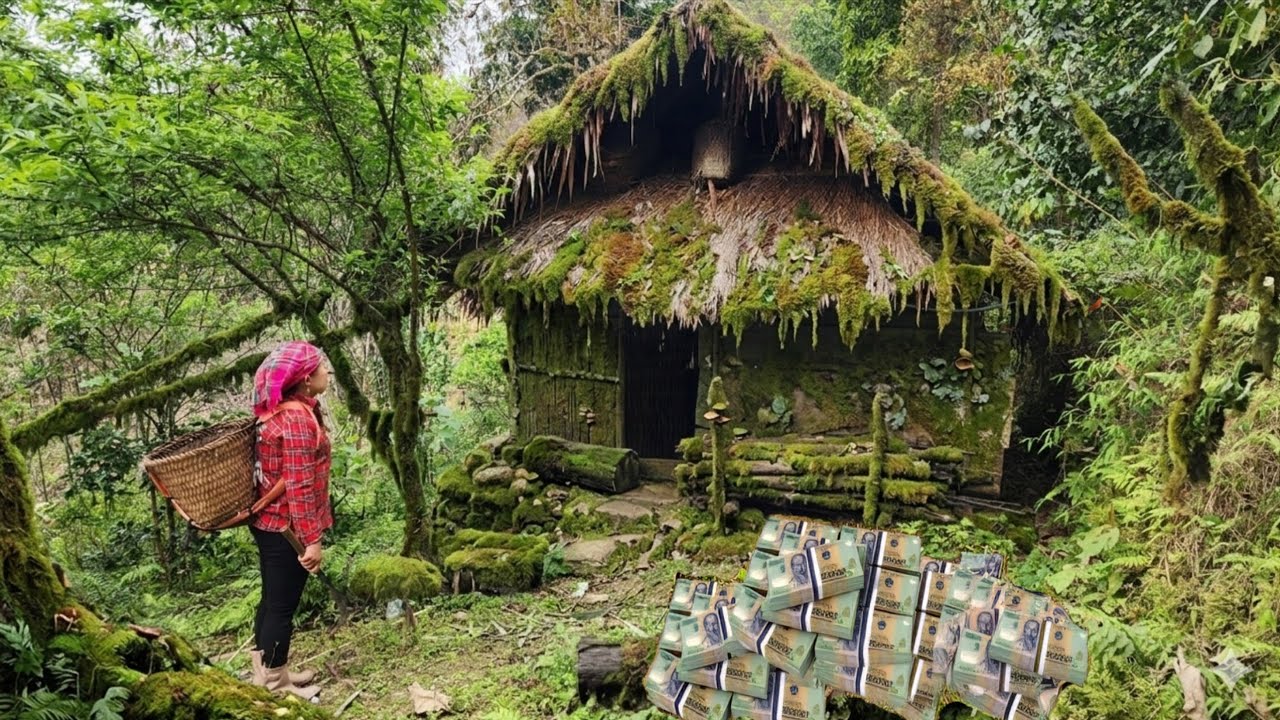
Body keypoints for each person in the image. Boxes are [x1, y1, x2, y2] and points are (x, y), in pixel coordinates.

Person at [247, 341, 332, 700]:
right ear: (307, 379)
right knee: (282, 606)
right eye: (322, 368)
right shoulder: (296, 418)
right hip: (285, 527)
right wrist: (311, 539)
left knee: (271, 600)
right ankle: (275, 683)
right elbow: (298, 485)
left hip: (271, 524)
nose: (327, 372)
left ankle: (266, 670)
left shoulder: (282, 411)